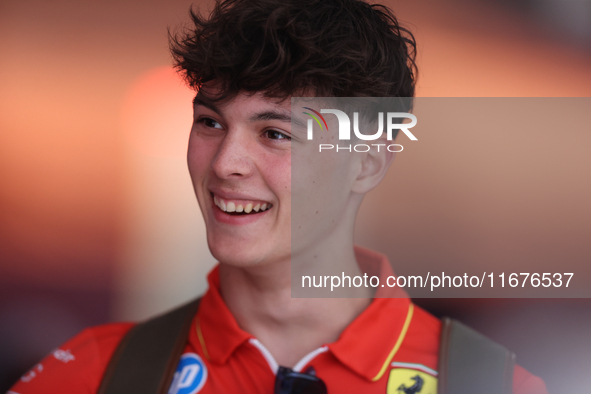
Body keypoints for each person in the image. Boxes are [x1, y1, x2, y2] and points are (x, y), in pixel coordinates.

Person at [9, 0, 548, 393]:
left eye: (275, 134)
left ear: (367, 162)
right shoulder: (87, 375)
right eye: (210, 123)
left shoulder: (491, 385)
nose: (224, 164)